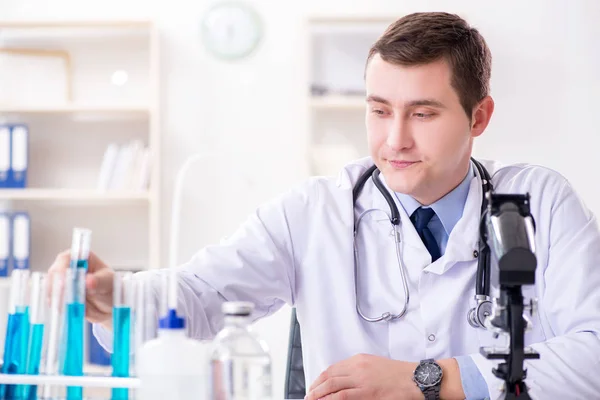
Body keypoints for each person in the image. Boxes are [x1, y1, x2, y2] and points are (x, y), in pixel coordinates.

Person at [49, 11, 600, 400]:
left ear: (479, 118)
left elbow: (594, 356)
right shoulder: (314, 212)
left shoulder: (537, 204)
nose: (395, 140)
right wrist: (114, 296)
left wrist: (427, 380)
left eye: (423, 114)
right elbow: (201, 295)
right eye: (380, 110)